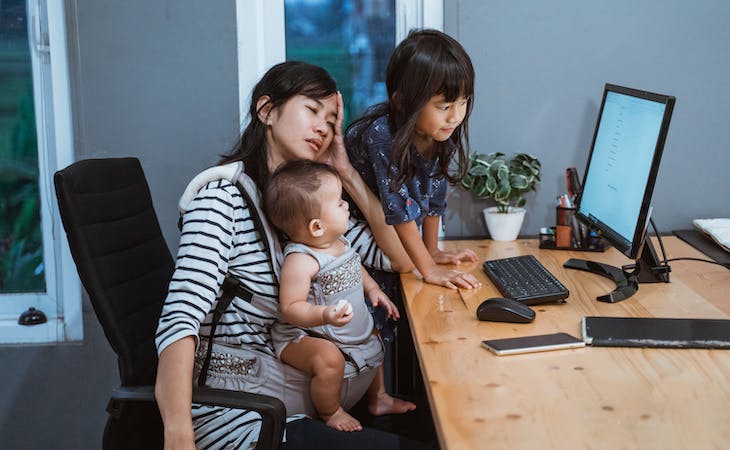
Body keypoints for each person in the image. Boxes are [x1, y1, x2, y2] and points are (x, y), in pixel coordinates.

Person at [154, 61, 433, 450]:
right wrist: (179, 436)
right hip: (241, 417)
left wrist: (344, 170)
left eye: (332, 119)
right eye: (312, 110)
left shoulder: (310, 203)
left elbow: (402, 258)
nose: (323, 127)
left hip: (295, 399)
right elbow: (180, 319)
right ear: (266, 110)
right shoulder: (221, 200)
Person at [264, 159, 416, 432]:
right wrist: (324, 314)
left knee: (375, 336)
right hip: (302, 337)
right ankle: (331, 411)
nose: (346, 205)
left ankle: (378, 397)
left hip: (340, 325)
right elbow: (290, 307)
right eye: (339, 202)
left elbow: (354, 265)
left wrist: (374, 290)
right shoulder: (301, 260)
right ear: (316, 227)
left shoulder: (339, 242)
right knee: (329, 359)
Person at [346, 29, 482, 290]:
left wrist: (432, 251)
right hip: (355, 232)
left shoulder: (441, 131)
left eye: (463, 102)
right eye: (444, 106)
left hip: (393, 233)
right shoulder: (381, 135)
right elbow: (398, 209)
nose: (456, 116)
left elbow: (435, 193)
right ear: (403, 102)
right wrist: (428, 270)